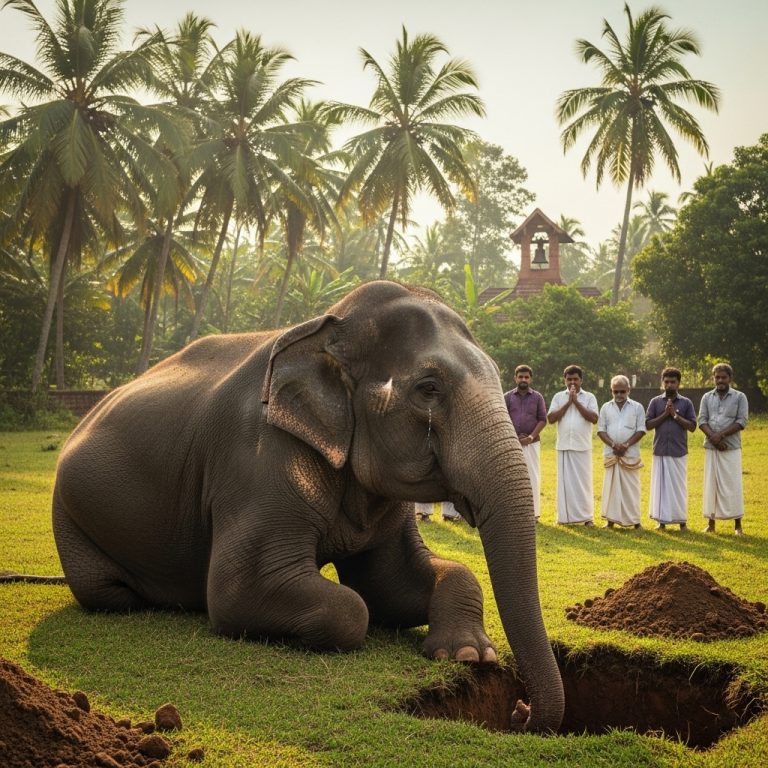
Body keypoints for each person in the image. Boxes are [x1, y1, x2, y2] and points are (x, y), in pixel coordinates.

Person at [698, 363, 749, 535]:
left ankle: (738, 526)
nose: (720, 380)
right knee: (711, 485)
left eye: (723, 377)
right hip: (711, 448)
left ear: (730, 379)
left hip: (731, 447)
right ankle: (711, 524)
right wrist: (714, 438)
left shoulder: (739, 397)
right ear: (714, 378)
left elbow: (741, 421)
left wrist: (721, 436)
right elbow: (702, 421)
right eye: (717, 377)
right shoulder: (707, 397)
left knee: (733, 485)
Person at [645, 367, 697, 531]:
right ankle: (662, 523)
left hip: (678, 451)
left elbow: (693, 426)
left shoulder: (686, 402)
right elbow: (647, 424)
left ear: (678, 383)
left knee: (678, 488)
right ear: (662, 382)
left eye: (673, 382)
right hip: (660, 450)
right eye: (666, 381)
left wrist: (674, 415)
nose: (669, 385)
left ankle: (682, 523)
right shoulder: (655, 402)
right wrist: (665, 414)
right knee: (661, 488)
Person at [547, 365, 598, 526]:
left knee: (584, 484)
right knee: (565, 485)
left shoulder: (589, 397)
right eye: (569, 379)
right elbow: (551, 418)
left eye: (575, 379)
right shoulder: (558, 397)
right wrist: (568, 402)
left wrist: (576, 402)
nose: (572, 382)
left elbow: (594, 418)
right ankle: (564, 518)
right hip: (564, 446)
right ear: (565, 380)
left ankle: (586, 517)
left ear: (581, 380)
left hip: (582, 446)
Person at [597, 375, 646, 529]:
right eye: (615, 391)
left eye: (622, 391)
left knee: (631, 490)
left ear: (628, 390)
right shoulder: (606, 407)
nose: (619, 395)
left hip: (630, 454)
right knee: (611, 489)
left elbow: (641, 430)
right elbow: (601, 431)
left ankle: (635, 522)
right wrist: (614, 445)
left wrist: (625, 445)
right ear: (611, 391)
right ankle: (610, 521)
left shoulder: (637, 407)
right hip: (612, 454)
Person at [504, 365, 547, 520]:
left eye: (526, 377)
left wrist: (530, 437)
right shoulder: (507, 397)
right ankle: (513, 513)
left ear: (530, 379)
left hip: (532, 442)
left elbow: (543, 419)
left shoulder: (537, 397)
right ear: (515, 378)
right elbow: (503, 418)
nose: (523, 380)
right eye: (520, 377)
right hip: (511, 443)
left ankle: (533, 514)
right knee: (511, 477)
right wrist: (513, 437)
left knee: (532, 477)